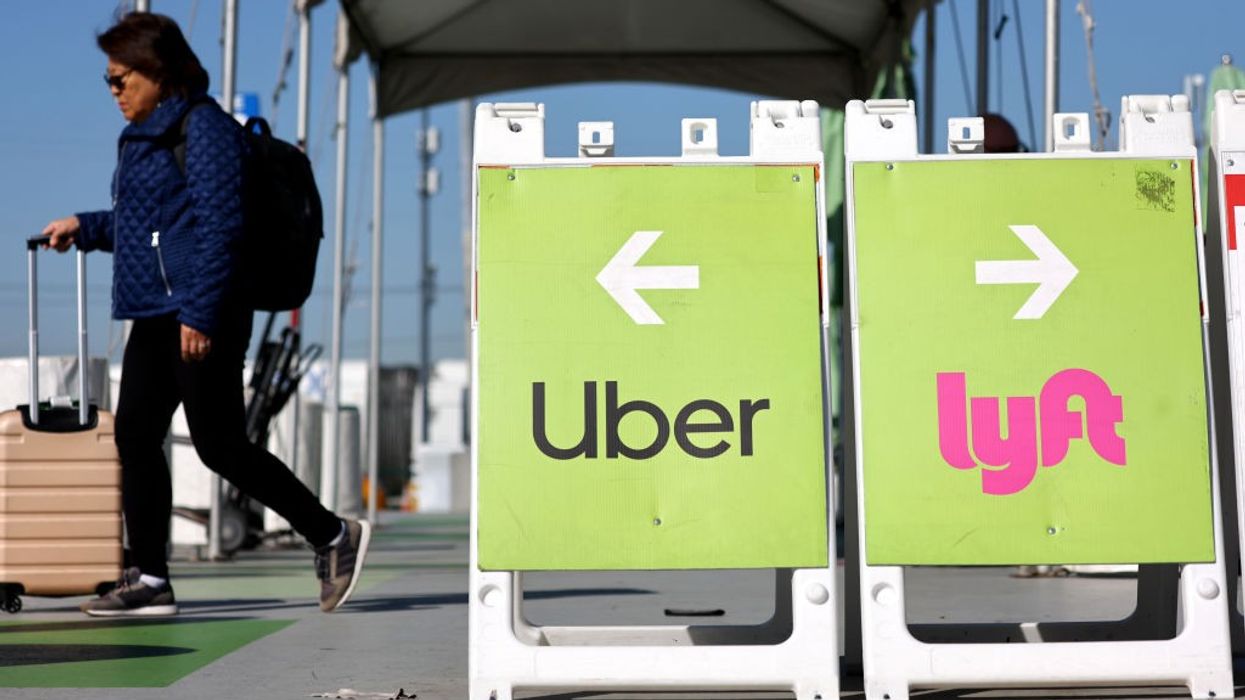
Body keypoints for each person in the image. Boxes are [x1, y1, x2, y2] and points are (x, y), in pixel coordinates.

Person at [40, 12, 369, 617]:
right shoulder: (141, 139)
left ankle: (332, 534)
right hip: (154, 311)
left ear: (158, 73)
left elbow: (223, 230)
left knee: (219, 445)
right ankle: (151, 580)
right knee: (135, 435)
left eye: (121, 79)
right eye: (108, 81)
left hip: (200, 312)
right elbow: (149, 229)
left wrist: (202, 313)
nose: (114, 91)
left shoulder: (206, 129)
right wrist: (85, 228)